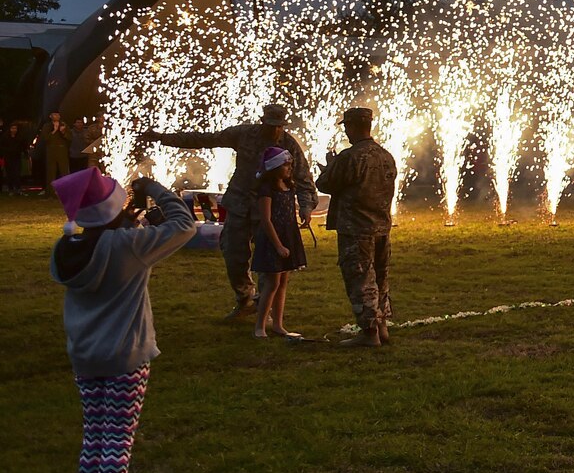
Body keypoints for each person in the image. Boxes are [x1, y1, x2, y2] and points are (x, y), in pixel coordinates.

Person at [50, 166, 197, 473]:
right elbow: (184, 225)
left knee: (95, 438)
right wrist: (154, 188)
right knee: (117, 441)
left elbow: (104, 239)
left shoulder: (66, 249)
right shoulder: (126, 247)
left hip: (85, 356)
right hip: (125, 358)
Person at [139, 104, 313, 322]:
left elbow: (303, 177)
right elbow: (205, 139)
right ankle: (245, 299)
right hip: (240, 204)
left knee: (269, 261)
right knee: (233, 253)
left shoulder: (288, 145)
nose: (275, 131)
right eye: (271, 126)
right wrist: (163, 138)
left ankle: (263, 306)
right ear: (263, 122)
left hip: (269, 209)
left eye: (279, 127)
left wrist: (306, 206)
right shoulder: (244, 134)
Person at [317, 107, 397, 349]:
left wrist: (330, 166)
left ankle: (369, 331)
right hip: (381, 226)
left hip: (356, 227)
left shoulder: (351, 157)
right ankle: (382, 326)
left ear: (351, 126)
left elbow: (325, 184)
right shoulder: (385, 155)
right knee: (381, 278)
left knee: (360, 278)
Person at [251, 146, 308, 341]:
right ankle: (260, 325)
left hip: (287, 236)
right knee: (272, 282)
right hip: (272, 239)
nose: (289, 168)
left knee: (283, 281)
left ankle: (278, 324)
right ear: (274, 167)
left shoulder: (289, 186)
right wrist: (277, 245)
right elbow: (266, 220)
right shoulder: (267, 189)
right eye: (285, 165)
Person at [42, 111, 71, 184]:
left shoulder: (64, 125)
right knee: (51, 172)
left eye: (58, 114)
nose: (56, 116)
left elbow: (70, 138)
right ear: (50, 116)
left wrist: (63, 132)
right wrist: (54, 130)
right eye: (54, 114)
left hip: (62, 150)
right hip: (51, 151)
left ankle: (66, 190)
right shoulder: (47, 126)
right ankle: (51, 192)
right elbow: (45, 138)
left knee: (64, 171)